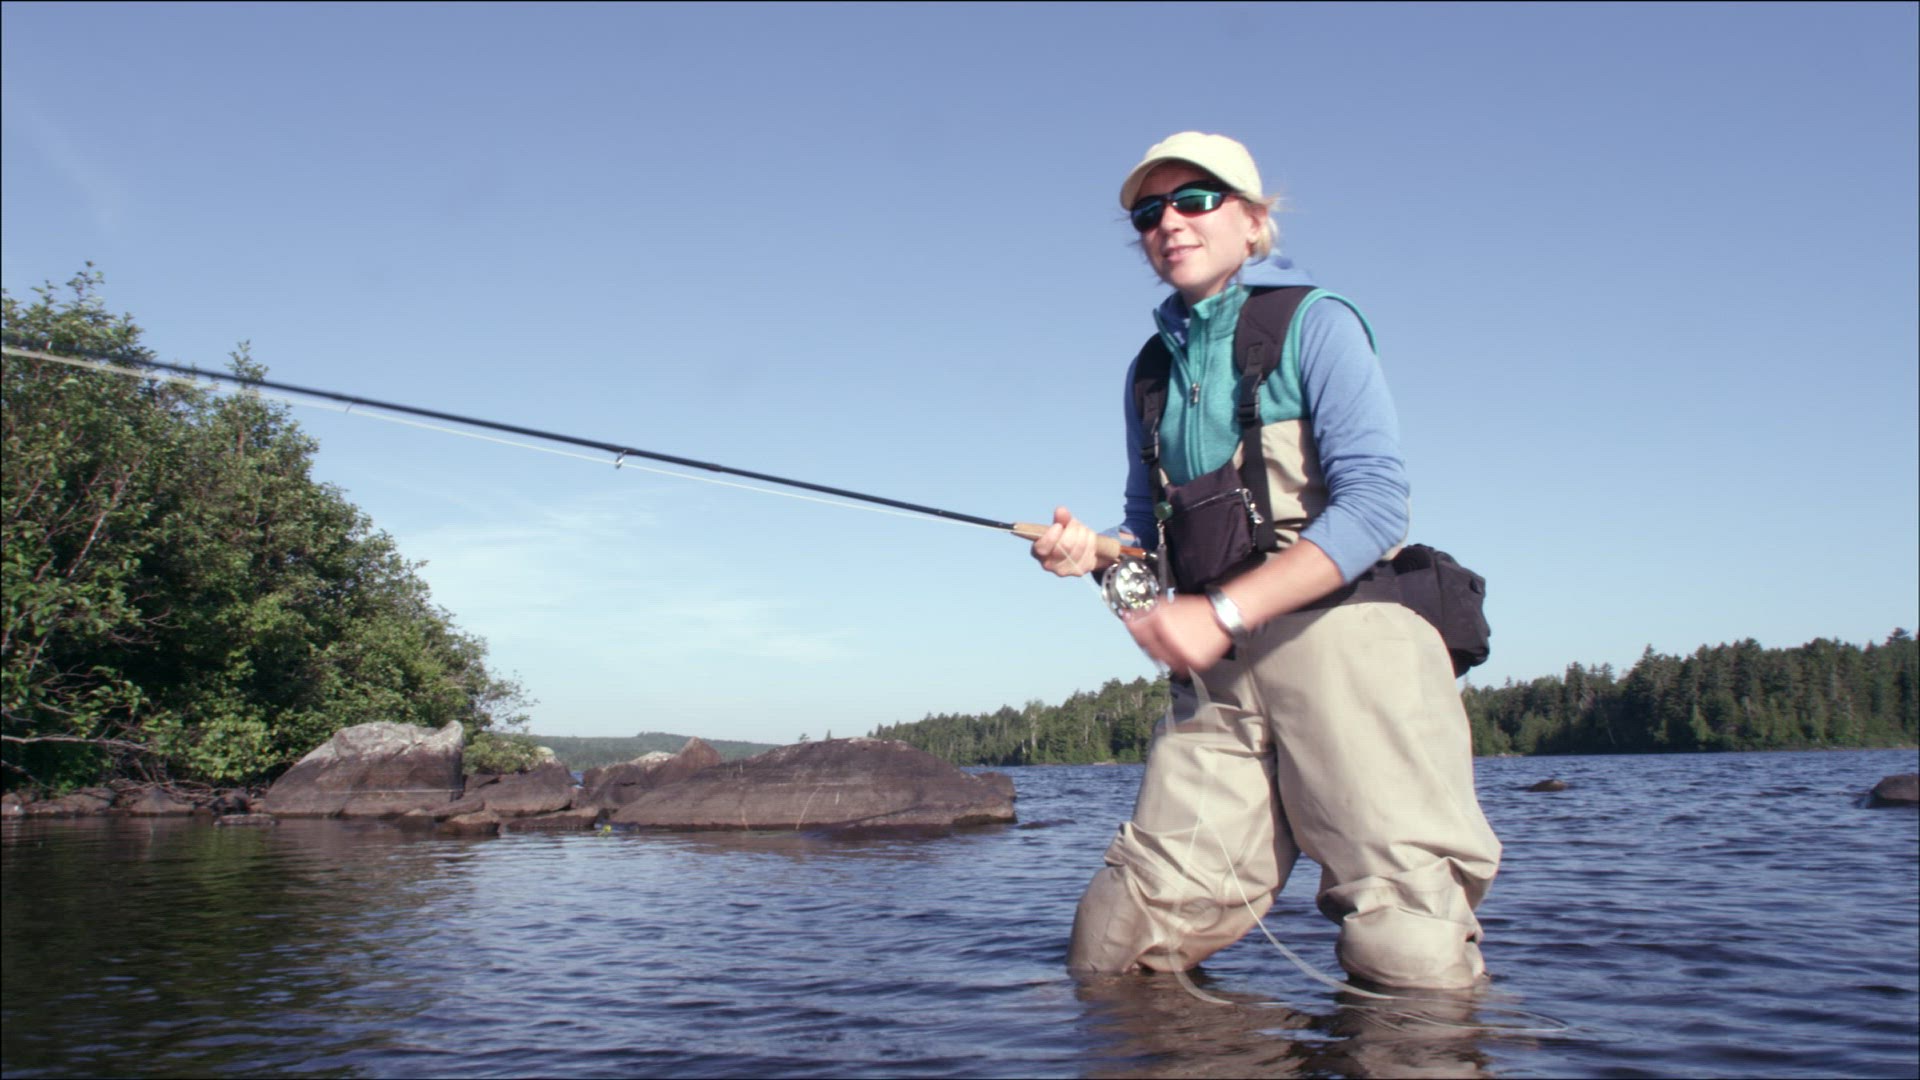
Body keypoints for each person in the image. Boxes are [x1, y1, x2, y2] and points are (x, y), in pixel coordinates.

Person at [1031, 132, 1502, 990]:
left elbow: (1376, 506)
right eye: (1149, 213)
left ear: (1253, 222)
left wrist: (1220, 612)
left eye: (1195, 200)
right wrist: (1094, 559)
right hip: (1221, 681)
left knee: (1405, 946)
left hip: (1352, 652)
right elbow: (1146, 551)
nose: (1169, 222)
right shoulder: (1147, 373)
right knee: (1113, 949)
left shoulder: (1318, 322)